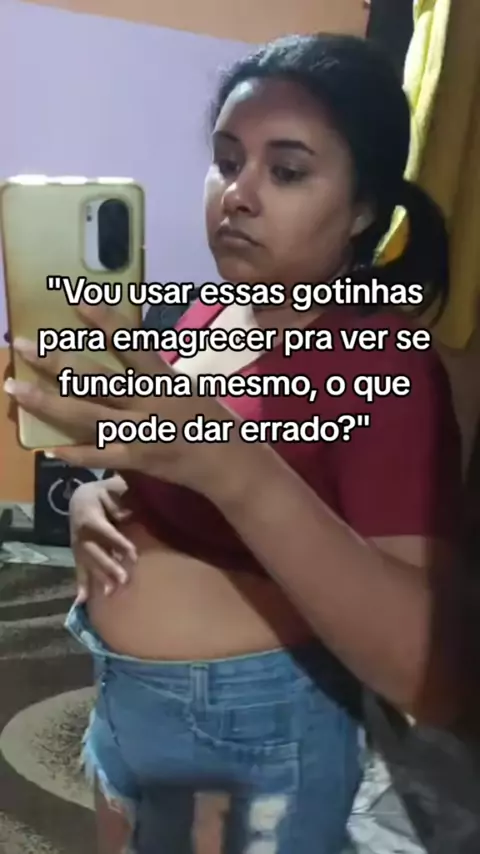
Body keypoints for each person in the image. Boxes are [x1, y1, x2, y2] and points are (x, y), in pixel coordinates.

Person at [4, 33, 464, 854]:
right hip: (125, 704)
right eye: (225, 162)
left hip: (248, 738)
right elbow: (167, 481)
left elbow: (425, 673)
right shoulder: (195, 318)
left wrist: (241, 471)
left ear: (363, 208)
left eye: (286, 171)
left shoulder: (381, 363)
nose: (237, 196)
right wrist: (93, 497)